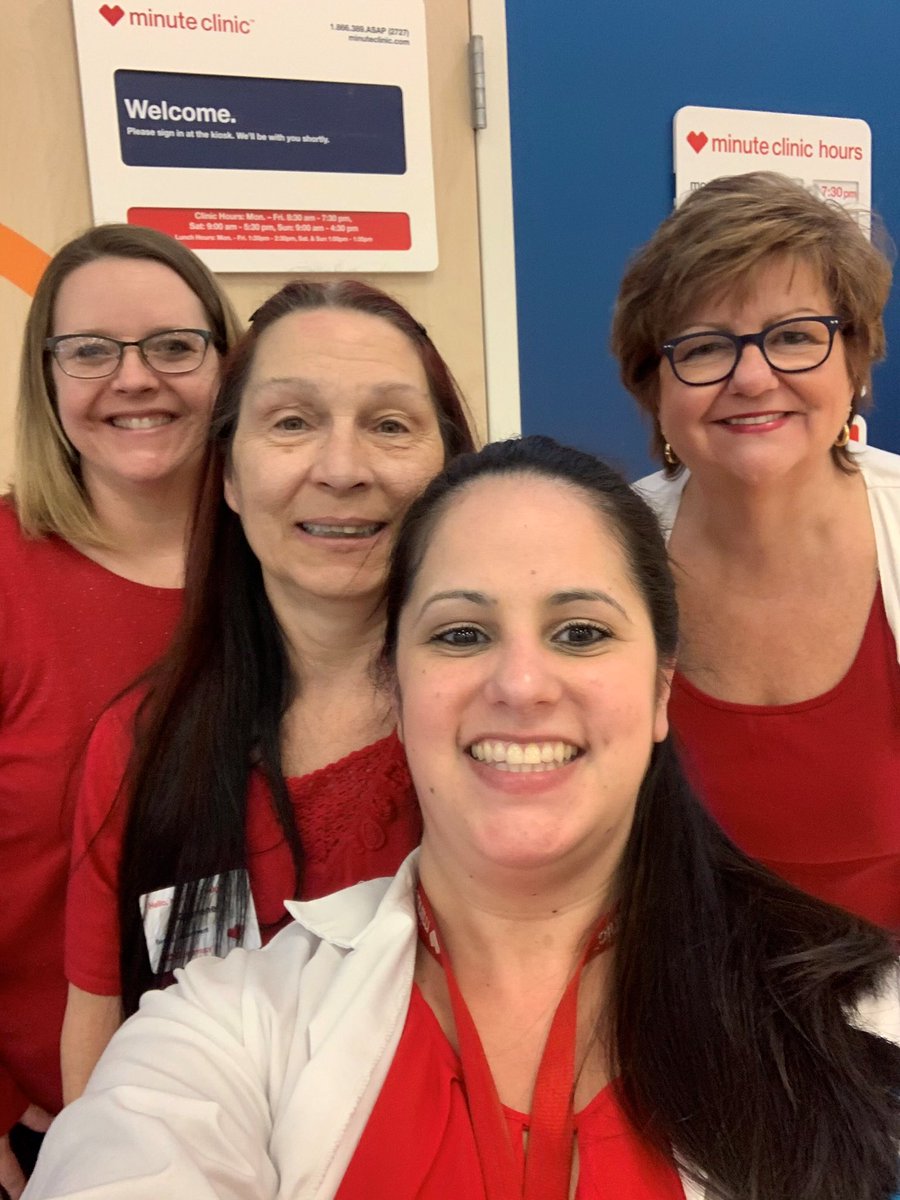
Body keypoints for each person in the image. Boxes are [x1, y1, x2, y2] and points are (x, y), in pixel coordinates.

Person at [25, 437, 900, 1200]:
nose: (520, 685)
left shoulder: (855, 1017)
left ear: (663, 686)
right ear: (396, 695)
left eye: (581, 632)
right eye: (460, 636)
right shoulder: (232, 1030)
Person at [60, 279, 476, 1103]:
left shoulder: (521, 722)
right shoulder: (143, 744)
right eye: (291, 423)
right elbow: (102, 1038)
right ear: (229, 477)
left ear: (450, 471)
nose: (343, 469)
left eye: (390, 426)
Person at [0, 224, 239, 1198]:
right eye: (91, 351)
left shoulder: (295, 567)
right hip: (50, 1125)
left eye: (174, 347)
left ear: (227, 367)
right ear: (46, 380)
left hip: (280, 1108)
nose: (133, 378)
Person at [611, 171, 900, 929]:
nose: (753, 376)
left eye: (795, 336)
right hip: (674, 998)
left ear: (855, 365)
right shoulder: (605, 552)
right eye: (705, 348)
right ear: (656, 386)